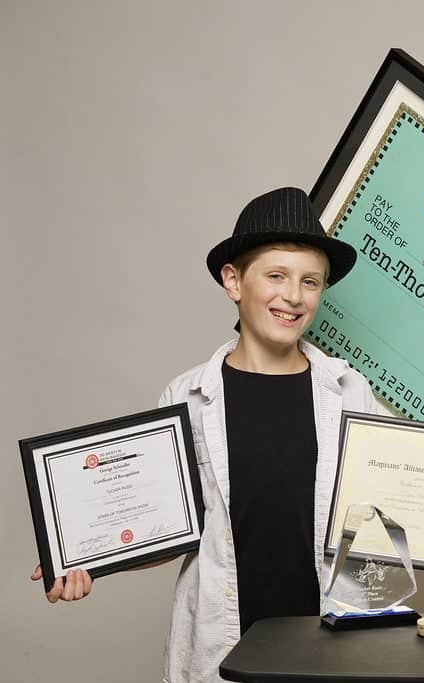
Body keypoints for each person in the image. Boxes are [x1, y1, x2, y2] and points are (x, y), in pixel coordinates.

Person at [31, 187, 380, 681]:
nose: (294, 296)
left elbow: (387, 517)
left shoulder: (348, 392)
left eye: (310, 282)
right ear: (234, 281)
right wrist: (83, 557)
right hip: (222, 650)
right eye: (276, 276)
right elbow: (167, 529)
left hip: (328, 651)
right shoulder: (186, 397)